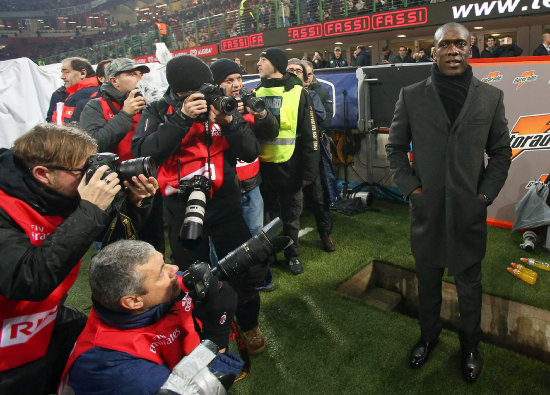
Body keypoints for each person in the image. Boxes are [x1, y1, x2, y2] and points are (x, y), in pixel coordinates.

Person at [385, 22, 512, 383]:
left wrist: (484, 195)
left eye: (461, 44)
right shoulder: (411, 95)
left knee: (470, 284)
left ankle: (470, 346)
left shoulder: (491, 97)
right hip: (426, 213)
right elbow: (395, 148)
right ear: (433, 50)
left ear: (471, 49)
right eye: (446, 44)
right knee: (428, 284)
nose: (453, 50)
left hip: (468, 213)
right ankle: (428, 338)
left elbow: (501, 153)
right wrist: (411, 189)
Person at [0, 124, 158, 395]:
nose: (92, 177)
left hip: (43, 326)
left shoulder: (61, 196)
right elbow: (28, 280)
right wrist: (91, 209)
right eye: (82, 171)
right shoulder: (6, 207)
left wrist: (135, 202)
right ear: (43, 174)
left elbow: (116, 243)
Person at [131, 55, 266, 355]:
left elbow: (250, 150)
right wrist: (180, 119)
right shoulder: (159, 110)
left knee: (243, 270)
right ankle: (205, 332)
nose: (204, 95)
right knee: (193, 275)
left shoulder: (219, 104)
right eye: (197, 90)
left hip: (225, 204)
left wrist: (230, 123)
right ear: (180, 92)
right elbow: (143, 152)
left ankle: (249, 323)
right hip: (181, 207)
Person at [59, 240, 242, 395]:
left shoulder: (153, 294)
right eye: (162, 271)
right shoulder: (109, 366)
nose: (175, 269)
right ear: (133, 301)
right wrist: (217, 337)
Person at [79, 58, 164, 252]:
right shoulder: (95, 106)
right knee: (117, 250)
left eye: (140, 74)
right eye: (132, 74)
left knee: (153, 244)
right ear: (114, 81)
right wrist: (125, 114)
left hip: (147, 183)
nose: (139, 78)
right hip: (114, 191)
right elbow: (92, 144)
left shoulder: (149, 103)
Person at [209, 58, 279, 291]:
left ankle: (261, 278)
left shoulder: (250, 101)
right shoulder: (210, 108)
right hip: (221, 187)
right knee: (219, 240)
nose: (237, 84)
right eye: (229, 80)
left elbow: (271, 131)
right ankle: (221, 284)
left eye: (239, 78)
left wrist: (260, 114)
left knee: (255, 237)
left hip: (251, 183)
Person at [255, 48, 319, 274]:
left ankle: (292, 255)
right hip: (261, 168)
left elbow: (311, 133)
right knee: (265, 218)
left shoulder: (299, 92)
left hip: (290, 167)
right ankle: (268, 254)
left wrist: (309, 172)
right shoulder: (255, 91)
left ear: (275, 63)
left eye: (263, 59)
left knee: (290, 217)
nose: (258, 63)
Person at [302, 60, 336, 252]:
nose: (305, 77)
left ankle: (325, 233)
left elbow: (326, 119)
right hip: (293, 152)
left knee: (320, 193)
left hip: (316, 149)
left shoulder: (319, 92)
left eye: (307, 73)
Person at [46, 57, 99, 125]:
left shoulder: (97, 93)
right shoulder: (61, 94)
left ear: (82, 73)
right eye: (62, 73)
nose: (62, 77)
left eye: (66, 72)